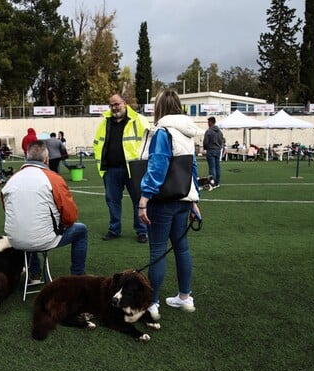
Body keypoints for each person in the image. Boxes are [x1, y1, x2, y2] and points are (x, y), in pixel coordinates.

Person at [136, 89, 201, 321]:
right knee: (182, 248)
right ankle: (185, 297)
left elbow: (157, 167)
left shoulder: (163, 131)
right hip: (183, 198)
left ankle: (152, 304)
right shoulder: (188, 132)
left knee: (158, 251)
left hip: (163, 201)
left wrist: (144, 198)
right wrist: (195, 199)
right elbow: (193, 168)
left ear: (160, 108)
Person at [1, 140, 88, 281]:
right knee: (81, 231)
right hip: (41, 238)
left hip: (15, 239)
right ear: (46, 160)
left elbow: (7, 209)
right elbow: (70, 216)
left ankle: (34, 273)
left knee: (27, 226)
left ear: (26, 157)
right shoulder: (53, 179)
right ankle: (77, 277)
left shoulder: (12, 179)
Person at [93, 93, 150, 243]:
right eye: (111, 105)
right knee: (112, 201)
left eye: (117, 104)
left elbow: (150, 141)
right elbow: (98, 143)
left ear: (124, 103)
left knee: (138, 200)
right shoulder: (105, 122)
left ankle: (142, 231)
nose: (114, 107)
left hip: (134, 168)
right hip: (111, 169)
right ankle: (114, 230)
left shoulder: (139, 120)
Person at [203, 116, 224, 188]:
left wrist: (205, 148)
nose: (208, 123)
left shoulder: (209, 131)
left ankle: (212, 183)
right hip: (218, 150)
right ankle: (217, 182)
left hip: (211, 150)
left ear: (210, 122)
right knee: (217, 167)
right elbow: (222, 140)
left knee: (212, 168)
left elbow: (205, 142)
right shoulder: (220, 132)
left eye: (208, 122)